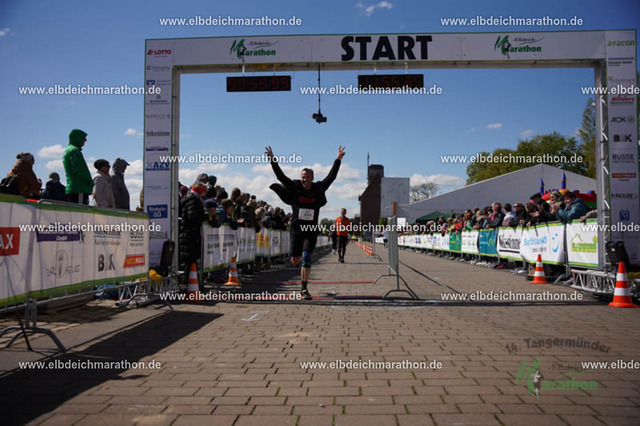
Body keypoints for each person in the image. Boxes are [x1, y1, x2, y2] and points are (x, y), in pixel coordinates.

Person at [266, 145, 345, 300]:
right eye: (303, 177)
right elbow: (281, 177)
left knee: (307, 257)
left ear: (312, 178)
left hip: (310, 229)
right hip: (296, 229)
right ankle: (299, 261)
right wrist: (273, 160)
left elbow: (331, 177)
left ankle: (304, 288)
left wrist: (338, 160)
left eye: (308, 177)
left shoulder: (318, 188)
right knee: (295, 260)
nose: (305, 180)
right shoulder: (295, 187)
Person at [63, 129, 93, 204]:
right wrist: (89, 182)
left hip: (74, 188)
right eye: (83, 138)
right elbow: (79, 169)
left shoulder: (68, 150)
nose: (85, 140)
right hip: (79, 188)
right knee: (81, 210)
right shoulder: (74, 150)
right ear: (77, 138)